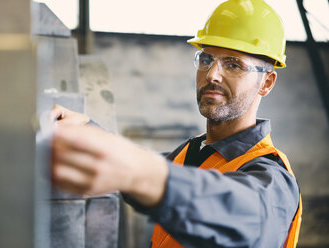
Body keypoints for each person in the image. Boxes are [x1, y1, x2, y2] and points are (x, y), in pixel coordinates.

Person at [50, 0, 302, 247]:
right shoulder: (192, 152)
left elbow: (246, 214)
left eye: (233, 64)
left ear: (266, 83)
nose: (212, 74)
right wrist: (88, 131)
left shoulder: (272, 175)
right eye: (206, 60)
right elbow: (139, 168)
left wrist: (141, 174)